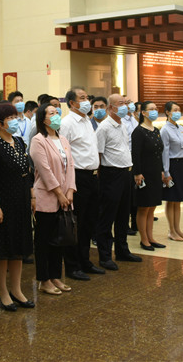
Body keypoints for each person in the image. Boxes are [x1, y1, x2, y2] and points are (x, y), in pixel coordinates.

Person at [0, 103, 34, 311]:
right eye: (10, 118)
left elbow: (28, 173)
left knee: (19, 248)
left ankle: (17, 290)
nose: (15, 120)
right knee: (3, 250)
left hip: (21, 201)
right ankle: (3, 292)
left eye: (15, 116)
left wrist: (32, 197)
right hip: (2, 204)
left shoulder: (20, 142)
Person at [29, 103, 76, 295]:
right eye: (52, 113)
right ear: (43, 119)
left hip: (66, 197)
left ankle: (56, 276)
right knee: (44, 240)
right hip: (47, 196)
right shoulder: (38, 140)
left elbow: (71, 165)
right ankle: (44, 279)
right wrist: (59, 193)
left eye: (57, 112)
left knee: (60, 239)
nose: (56, 115)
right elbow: (44, 170)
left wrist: (70, 191)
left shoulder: (63, 139)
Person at [61, 88, 106, 280]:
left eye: (87, 97)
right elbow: (63, 155)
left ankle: (85, 260)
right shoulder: (67, 123)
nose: (87, 101)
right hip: (77, 177)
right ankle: (72, 266)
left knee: (89, 222)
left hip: (92, 176)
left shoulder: (88, 121)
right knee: (75, 223)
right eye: (82, 98)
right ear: (72, 103)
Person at [95, 94, 142, 270]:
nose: (124, 106)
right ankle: (105, 255)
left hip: (126, 174)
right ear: (110, 108)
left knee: (123, 215)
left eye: (125, 103)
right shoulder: (103, 128)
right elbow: (98, 155)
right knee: (107, 216)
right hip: (110, 175)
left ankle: (122, 250)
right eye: (120, 104)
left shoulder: (122, 125)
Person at [132, 101, 165, 251]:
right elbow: (136, 154)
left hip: (155, 172)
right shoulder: (138, 131)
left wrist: (162, 170)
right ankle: (144, 239)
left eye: (156, 108)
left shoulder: (156, 130)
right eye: (151, 109)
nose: (154, 111)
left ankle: (151, 237)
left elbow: (160, 153)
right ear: (143, 113)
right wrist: (137, 173)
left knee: (152, 207)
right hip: (144, 173)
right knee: (144, 207)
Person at [161, 102, 183, 241]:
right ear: (167, 112)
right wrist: (166, 172)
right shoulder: (164, 130)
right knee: (171, 199)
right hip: (172, 166)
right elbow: (165, 152)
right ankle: (171, 230)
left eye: (179, 110)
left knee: (179, 199)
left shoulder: (180, 128)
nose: (178, 112)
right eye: (175, 110)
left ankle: (178, 229)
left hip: (181, 166)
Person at [121, 96, 139, 235]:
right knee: (128, 193)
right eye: (126, 103)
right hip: (127, 158)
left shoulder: (133, 119)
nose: (130, 105)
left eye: (130, 102)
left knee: (135, 192)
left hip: (135, 157)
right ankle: (125, 224)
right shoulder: (122, 121)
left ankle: (135, 221)